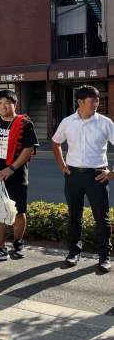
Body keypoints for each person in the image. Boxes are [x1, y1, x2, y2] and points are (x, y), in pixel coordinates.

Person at [52, 85, 113, 273]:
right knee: (74, 216)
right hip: (73, 176)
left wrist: (111, 173)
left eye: (97, 100)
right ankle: (74, 252)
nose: (96, 104)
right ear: (80, 102)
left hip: (97, 176)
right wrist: (62, 166)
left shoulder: (105, 123)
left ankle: (104, 256)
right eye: (92, 100)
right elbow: (56, 142)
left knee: (101, 218)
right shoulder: (67, 122)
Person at [0, 90, 39, 262]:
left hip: (16, 174)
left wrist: (11, 168)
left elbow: (28, 149)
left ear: (15, 104)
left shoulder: (24, 123)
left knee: (19, 211)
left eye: (7, 103)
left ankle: (18, 243)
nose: (3, 106)